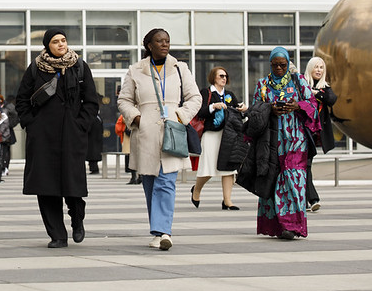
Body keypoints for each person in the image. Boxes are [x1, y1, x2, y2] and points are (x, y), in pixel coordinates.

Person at [118, 28, 202, 251]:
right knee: (150, 184)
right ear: (149, 45)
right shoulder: (135, 71)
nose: (165, 44)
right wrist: (136, 118)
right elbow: (124, 100)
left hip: (172, 132)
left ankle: (164, 231)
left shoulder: (180, 68)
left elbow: (195, 98)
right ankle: (158, 230)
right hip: (145, 134)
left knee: (166, 182)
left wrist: (181, 116)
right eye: (159, 41)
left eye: (167, 40)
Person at [16, 28, 99, 248]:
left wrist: (81, 125)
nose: (61, 44)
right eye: (55, 41)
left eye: (63, 40)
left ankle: (77, 217)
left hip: (72, 135)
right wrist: (31, 124)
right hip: (42, 137)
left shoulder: (79, 67)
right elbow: (22, 101)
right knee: (46, 187)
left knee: (72, 184)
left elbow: (91, 102)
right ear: (47, 46)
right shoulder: (35, 69)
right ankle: (57, 235)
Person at [250, 47, 320, 240]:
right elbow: (255, 110)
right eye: (275, 65)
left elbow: (313, 105)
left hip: (296, 140)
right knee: (273, 180)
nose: (279, 68)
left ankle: (293, 226)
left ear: (288, 64)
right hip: (272, 140)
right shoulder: (263, 84)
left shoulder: (299, 82)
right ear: (270, 65)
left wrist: (298, 105)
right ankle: (279, 226)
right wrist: (270, 109)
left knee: (294, 179)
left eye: (283, 64)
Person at [190, 66, 245, 210]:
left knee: (228, 168)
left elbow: (236, 114)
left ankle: (227, 200)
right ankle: (196, 189)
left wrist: (242, 109)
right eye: (221, 76)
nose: (224, 78)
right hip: (211, 134)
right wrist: (213, 106)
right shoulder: (206, 93)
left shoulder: (230, 95)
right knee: (208, 167)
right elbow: (200, 112)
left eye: (225, 76)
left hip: (227, 135)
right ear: (213, 77)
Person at [303, 56, 337, 212]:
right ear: (310, 68)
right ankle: (312, 199)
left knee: (306, 165)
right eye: (316, 67)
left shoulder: (325, 87)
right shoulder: (302, 84)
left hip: (315, 134)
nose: (318, 70)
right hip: (302, 132)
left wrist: (316, 93)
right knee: (305, 165)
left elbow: (331, 99)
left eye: (321, 67)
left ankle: (306, 199)